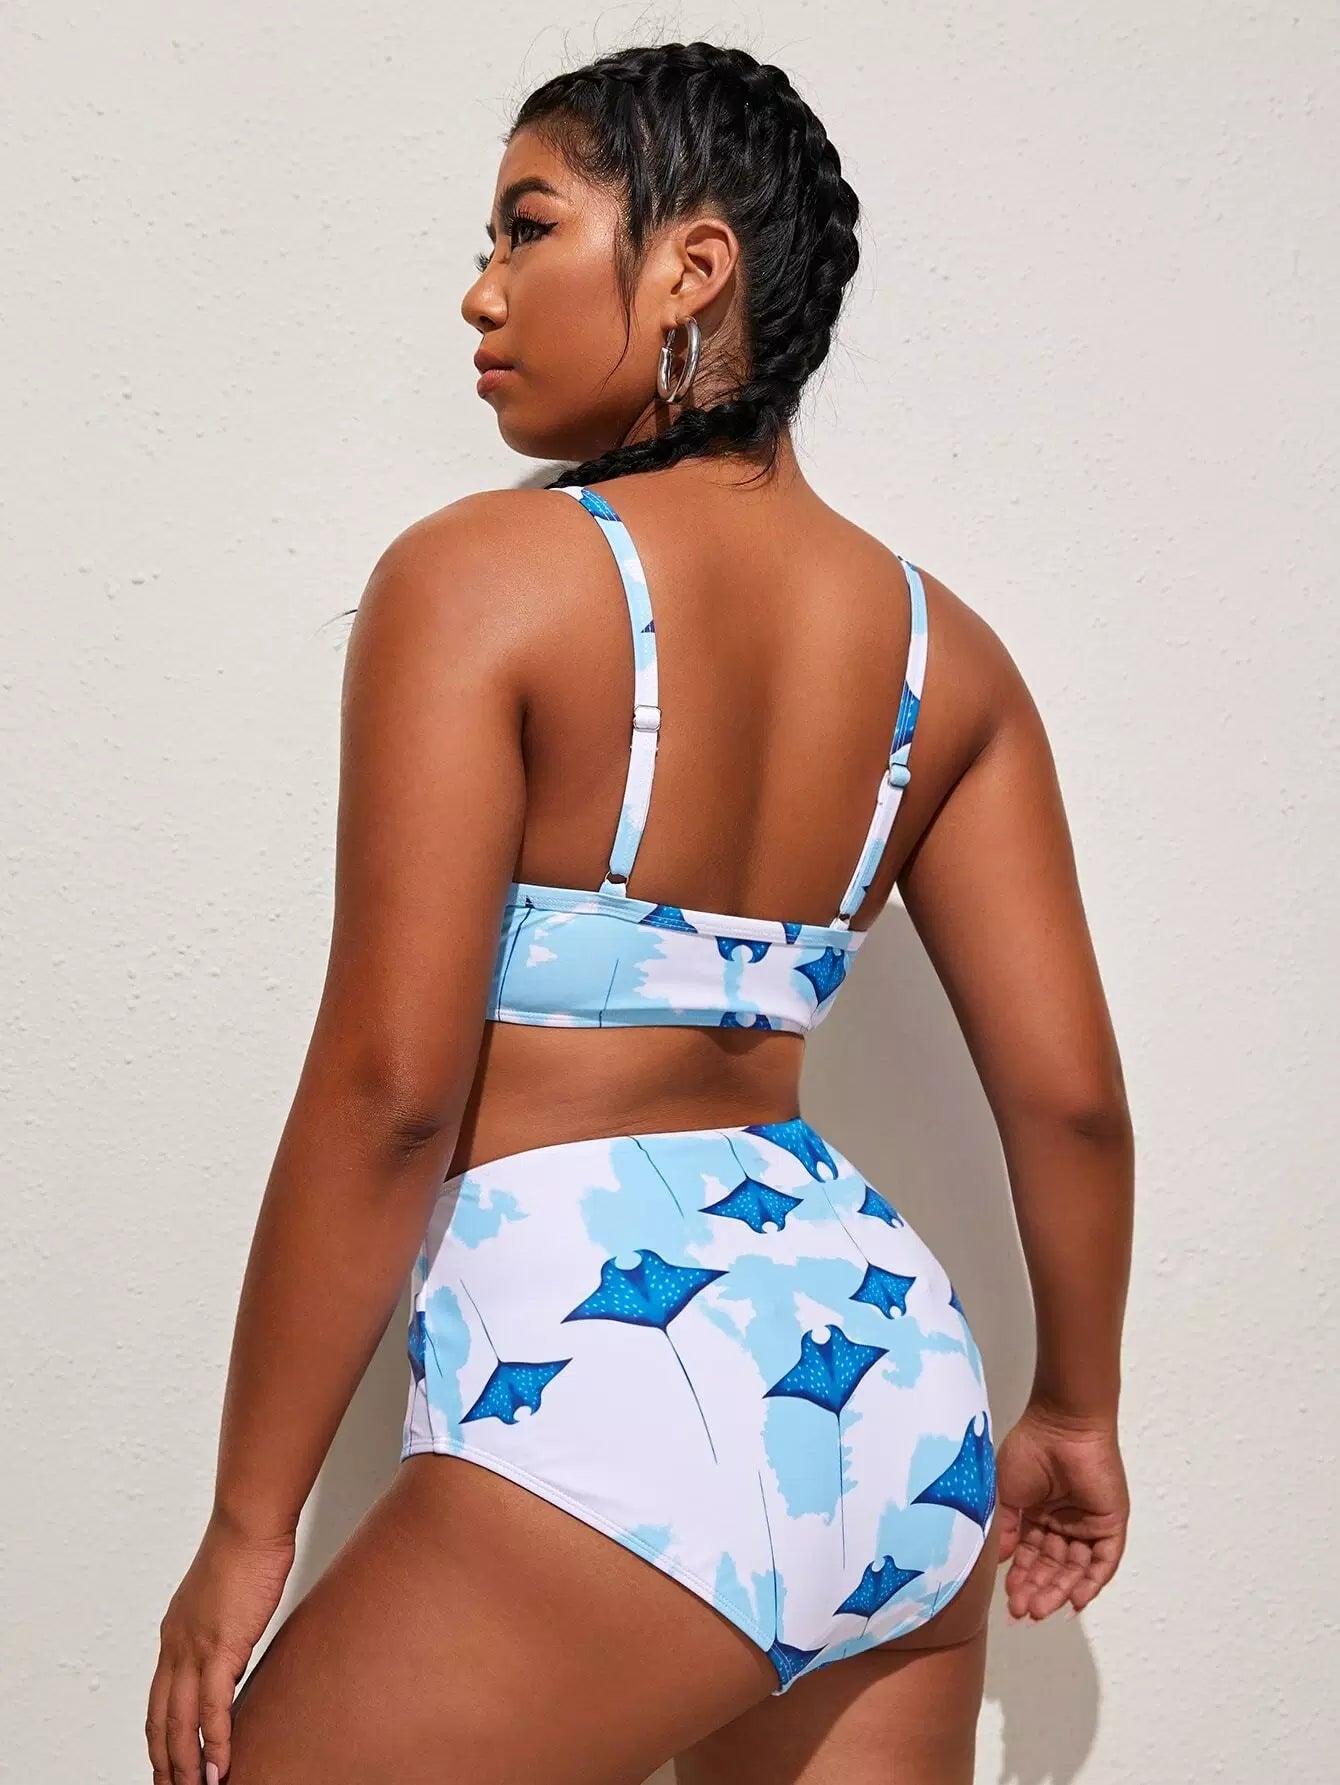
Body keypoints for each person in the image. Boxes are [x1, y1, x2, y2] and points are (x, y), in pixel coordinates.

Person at [147, 38, 1133, 1785]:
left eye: (528, 227)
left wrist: (246, 1525)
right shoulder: (950, 657)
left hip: (617, 1392)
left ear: (693, 266)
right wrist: (1073, 1405)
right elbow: (1072, 1103)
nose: (481, 290)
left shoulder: (480, 580)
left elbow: (390, 1094)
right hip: (895, 1402)